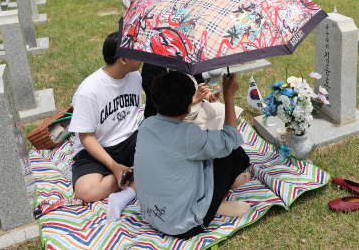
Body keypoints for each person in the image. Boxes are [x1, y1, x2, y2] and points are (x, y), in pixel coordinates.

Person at [134, 71, 251, 239]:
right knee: (235, 154)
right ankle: (215, 204)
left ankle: (212, 197)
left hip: (152, 216)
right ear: (190, 104)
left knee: (202, 154)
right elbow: (230, 139)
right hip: (185, 225)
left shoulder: (147, 125)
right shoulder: (189, 136)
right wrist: (229, 95)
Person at [68, 31, 142, 222]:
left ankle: (124, 195)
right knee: (86, 191)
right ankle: (138, 172)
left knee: (166, 151)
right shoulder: (89, 91)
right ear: (123, 59)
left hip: (129, 140)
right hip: (98, 149)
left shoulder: (135, 77)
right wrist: (114, 166)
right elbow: (86, 137)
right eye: (136, 51)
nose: (141, 54)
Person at [141, 63, 242, 130]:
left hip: (194, 109)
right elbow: (160, 104)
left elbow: (199, 83)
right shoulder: (151, 67)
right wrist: (192, 100)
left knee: (231, 114)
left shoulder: (188, 60)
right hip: (169, 118)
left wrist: (208, 95)